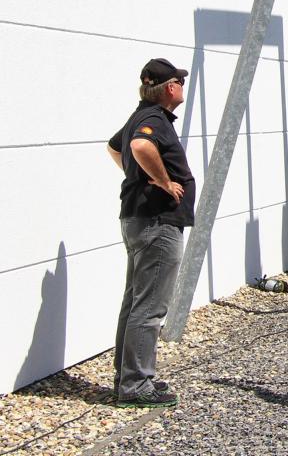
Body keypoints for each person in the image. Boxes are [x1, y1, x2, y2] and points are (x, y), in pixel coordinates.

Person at [106, 58, 195, 408]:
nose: (182, 87)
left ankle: (126, 377)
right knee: (150, 306)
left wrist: (136, 176)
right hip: (156, 222)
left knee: (134, 302)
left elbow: (115, 147)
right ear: (170, 88)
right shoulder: (154, 119)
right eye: (180, 82)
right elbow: (139, 148)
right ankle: (136, 385)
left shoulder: (139, 116)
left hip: (137, 219)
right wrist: (161, 181)